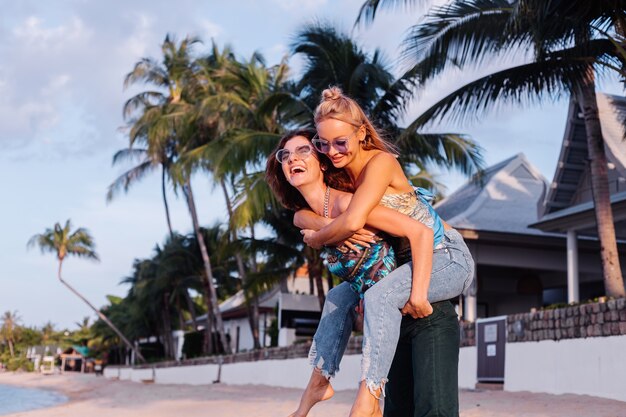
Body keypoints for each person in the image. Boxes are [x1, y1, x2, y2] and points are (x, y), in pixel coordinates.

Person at [265, 128, 472, 417]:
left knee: (376, 298)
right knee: (337, 296)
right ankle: (318, 383)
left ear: (322, 162)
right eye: (284, 155)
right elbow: (304, 217)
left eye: (303, 151)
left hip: (434, 267)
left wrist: (418, 295)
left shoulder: (352, 205)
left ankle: (370, 394)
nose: (291, 158)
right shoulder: (306, 215)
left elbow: (419, 232)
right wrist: (322, 229)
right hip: (393, 290)